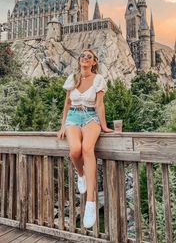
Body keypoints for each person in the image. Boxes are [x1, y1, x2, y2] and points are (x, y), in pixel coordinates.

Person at [57, 49, 113, 228]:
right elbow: (66, 103)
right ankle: (80, 173)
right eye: (82, 55)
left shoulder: (99, 80)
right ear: (79, 60)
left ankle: (90, 202)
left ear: (94, 62)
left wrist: (103, 126)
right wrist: (62, 125)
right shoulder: (72, 78)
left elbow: (99, 104)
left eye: (89, 56)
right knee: (74, 151)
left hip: (90, 117)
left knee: (88, 149)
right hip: (73, 116)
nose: (85, 58)